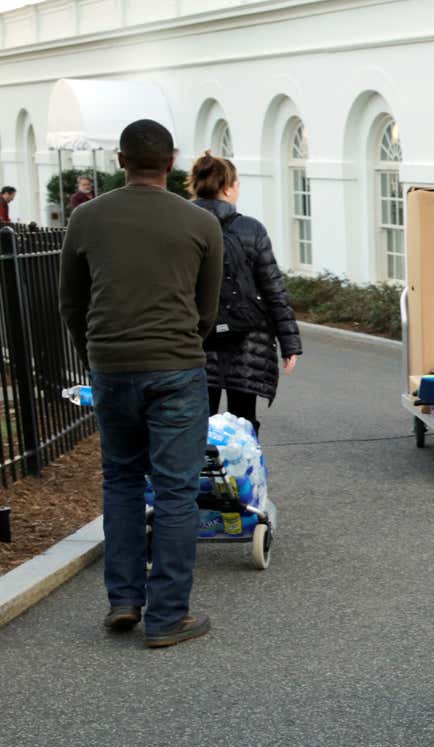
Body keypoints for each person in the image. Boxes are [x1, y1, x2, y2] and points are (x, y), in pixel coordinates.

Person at [58, 119, 222, 649]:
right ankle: (167, 617)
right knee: (175, 490)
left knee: (122, 480)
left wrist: (97, 351)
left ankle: (124, 600)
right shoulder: (200, 223)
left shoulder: (86, 218)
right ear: (171, 163)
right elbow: (207, 307)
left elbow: (71, 302)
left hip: (111, 365)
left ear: (120, 161)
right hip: (175, 365)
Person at [187, 152, 303, 436]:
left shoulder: (181, 225)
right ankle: (242, 476)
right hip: (248, 337)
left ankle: (200, 478)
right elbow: (272, 287)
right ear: (227, 187)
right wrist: (290, 343)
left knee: (197, 421)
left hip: (195, 336)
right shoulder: (250, 228)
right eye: (237, 183)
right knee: (243, 420)